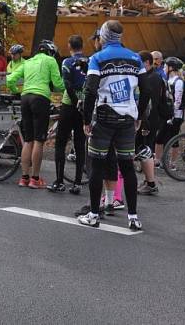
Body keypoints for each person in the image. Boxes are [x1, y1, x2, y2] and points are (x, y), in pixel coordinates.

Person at [78, 20, 151, 230]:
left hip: (104, 118)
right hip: (128, 119)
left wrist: (86, 120)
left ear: (103, 36)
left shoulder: (97, 58)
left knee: (97, 165)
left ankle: (93, 214)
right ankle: (133, 217)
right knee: (127, 167)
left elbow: (90, 90)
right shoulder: (136, 58)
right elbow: (146, 90)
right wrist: (140, 116)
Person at [7, 40, 65, 189]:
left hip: (25, 98)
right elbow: (58, 84)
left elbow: (10, 79)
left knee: (28, 140)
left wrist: (16, 91)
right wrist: (67, 91)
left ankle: (24, 178)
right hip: (40, 99)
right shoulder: (50, 60)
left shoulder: (28, 62)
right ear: (50, 52)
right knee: (39, 140)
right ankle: (35, 179)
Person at [49, 34, 87, 194]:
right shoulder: (90, 61)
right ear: (82, 46)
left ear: (70, 46)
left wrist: (74, 100)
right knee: (79, 144)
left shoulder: (67, 62)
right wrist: (82, 102)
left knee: (60, 143)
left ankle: (59, 181)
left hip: (69, 105)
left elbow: (67, 84)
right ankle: (77, 183)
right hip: (84, 106)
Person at [136, 51, 167, 195]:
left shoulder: (153, 78)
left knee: (146, 149)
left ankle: (150, 182)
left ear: (147, 63)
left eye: (139, 63)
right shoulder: (150, 76)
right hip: (148, 119)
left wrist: (145, 122)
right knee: (145, 149)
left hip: (150, 119)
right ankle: (148, 181)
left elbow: (151, 103)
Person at [155, 56, 185, 167]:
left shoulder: (178, 82)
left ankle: (172, 163)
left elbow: (177, 100)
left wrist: (172, 115)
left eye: (165, 66)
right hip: (167, 114)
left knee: (173, 139)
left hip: (175, 116)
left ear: (171, 68)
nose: (163, 68)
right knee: (160, 137)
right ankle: (157, 160)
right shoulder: (168, 80)